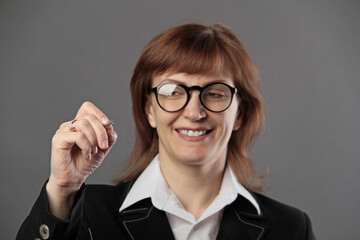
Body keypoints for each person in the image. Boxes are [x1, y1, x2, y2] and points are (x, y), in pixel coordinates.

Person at [17, 23, 316, 240]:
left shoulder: (291, 229)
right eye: (173, 91)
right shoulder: (87, 215)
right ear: (149, 109)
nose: (195, 112)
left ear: (240, 113)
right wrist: (62, 189)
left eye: (215, 92)